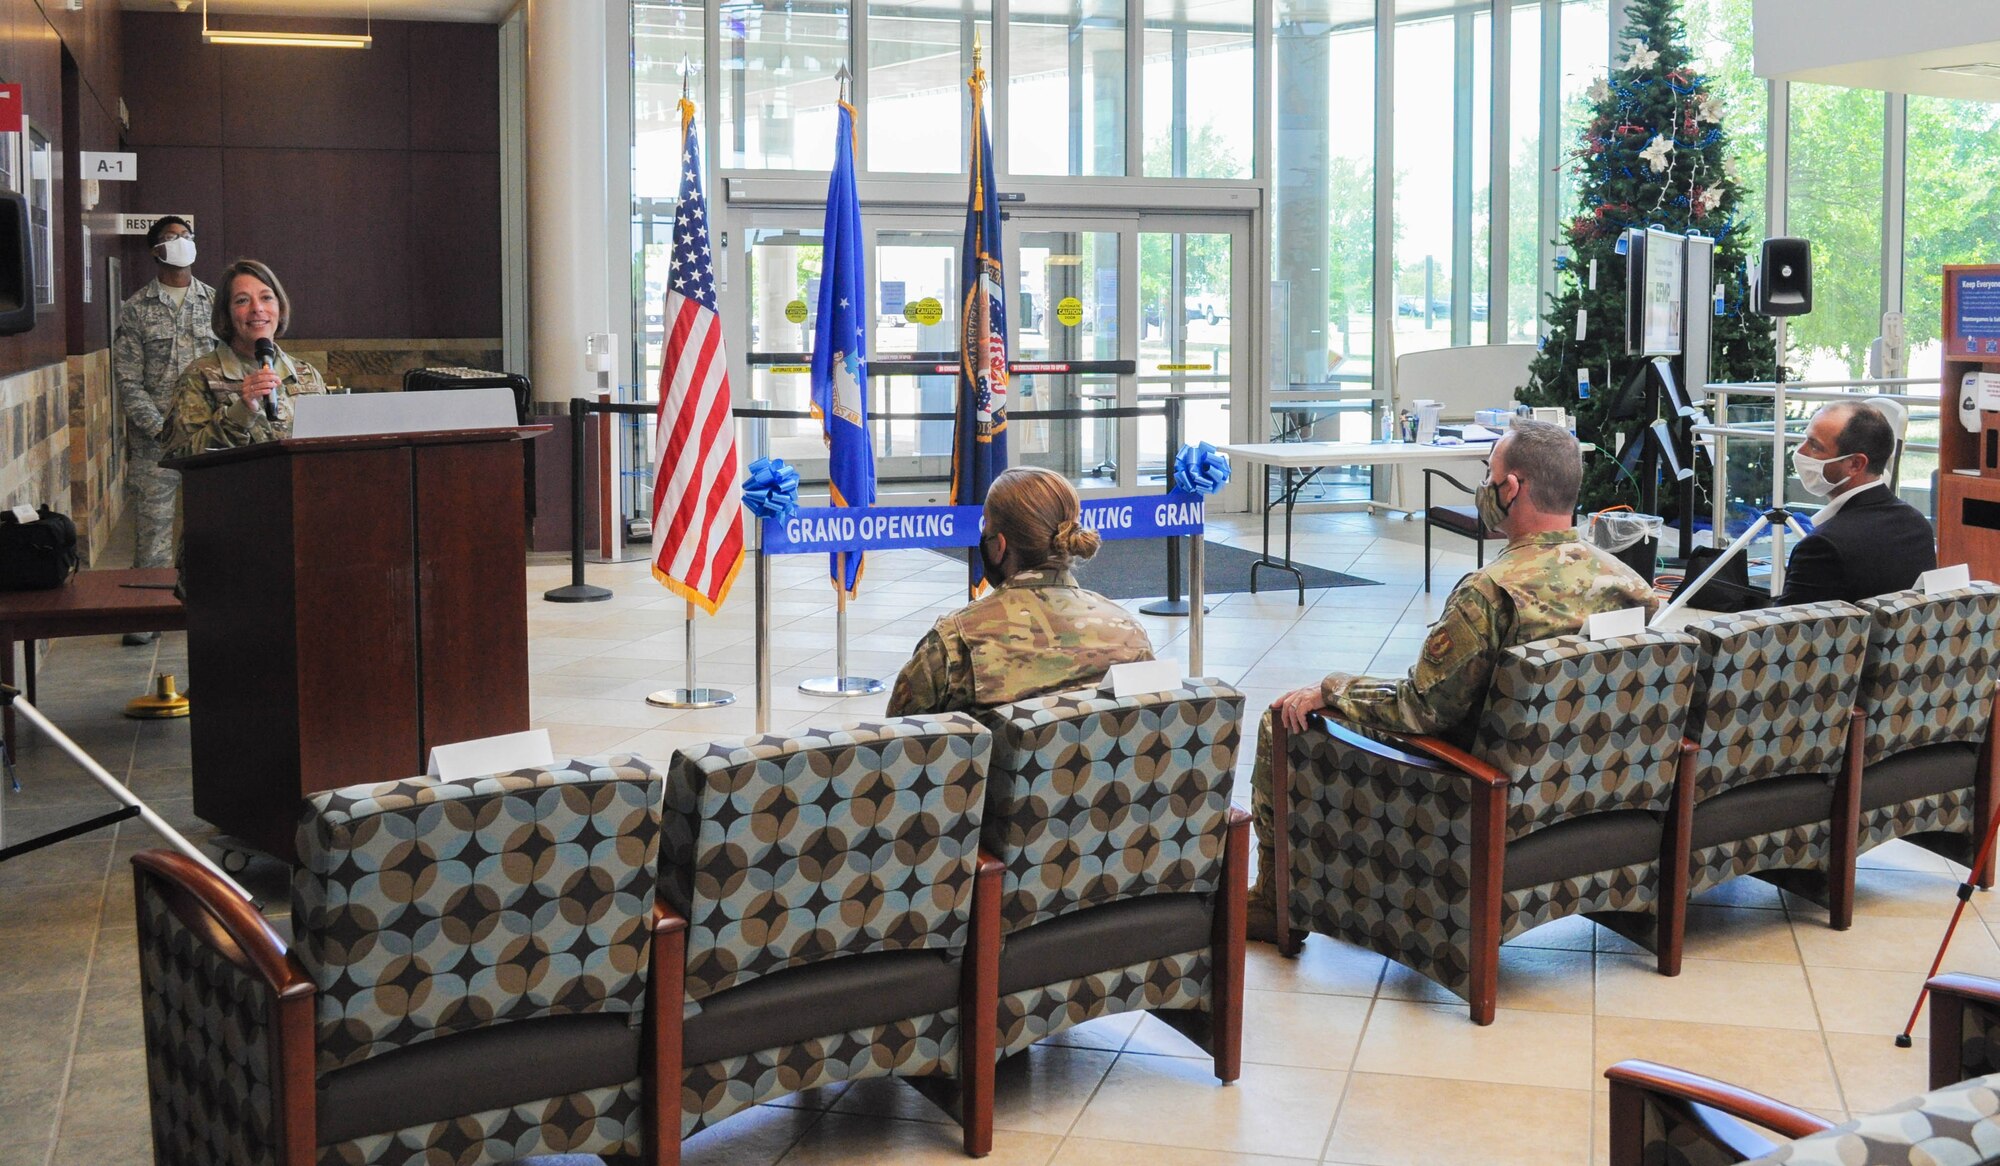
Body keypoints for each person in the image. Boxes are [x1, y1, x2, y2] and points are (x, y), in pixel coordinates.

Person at [1245, 419, 1659, 941]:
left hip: (1477, 788)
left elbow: (1420, 710)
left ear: (1512, 488)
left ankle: (1273, 901)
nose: (1485, 489)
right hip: (1589, 782)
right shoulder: (1632, 585)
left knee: (1281, 718)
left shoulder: (1489, 593)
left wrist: (1330, 689)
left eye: (1490, 476)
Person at [887, 465, 1155, 716]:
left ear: (999, 546)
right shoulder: (1129, 633)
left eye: (986, 526)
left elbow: (900, 747)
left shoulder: (955, 643)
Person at [110, 216, 215, 644]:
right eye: (171, 239)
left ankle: (212, 612)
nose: (181, 243)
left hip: (209, 440)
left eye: (186, 236)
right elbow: (127, 381)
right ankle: (146, 617)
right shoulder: (136, 309)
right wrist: (161, 427)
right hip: (154, 443)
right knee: (153, 531)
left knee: (213, 529)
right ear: (155, 250)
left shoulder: (215, 302)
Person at [1768, 401, 1935, 606]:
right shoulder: (1918, 525)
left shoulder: (1822, 546)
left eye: (1814, 446)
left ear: (1855, 464)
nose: (1800, 452)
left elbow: (1786, 630)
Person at [161, 259, 328, 459]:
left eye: (266, 297)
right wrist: (240, 412)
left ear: (280, 308)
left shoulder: (306, 375)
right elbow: (179, 456)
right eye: (242, 300)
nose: (257, 308)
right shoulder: (200, 375)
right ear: (226, 313)